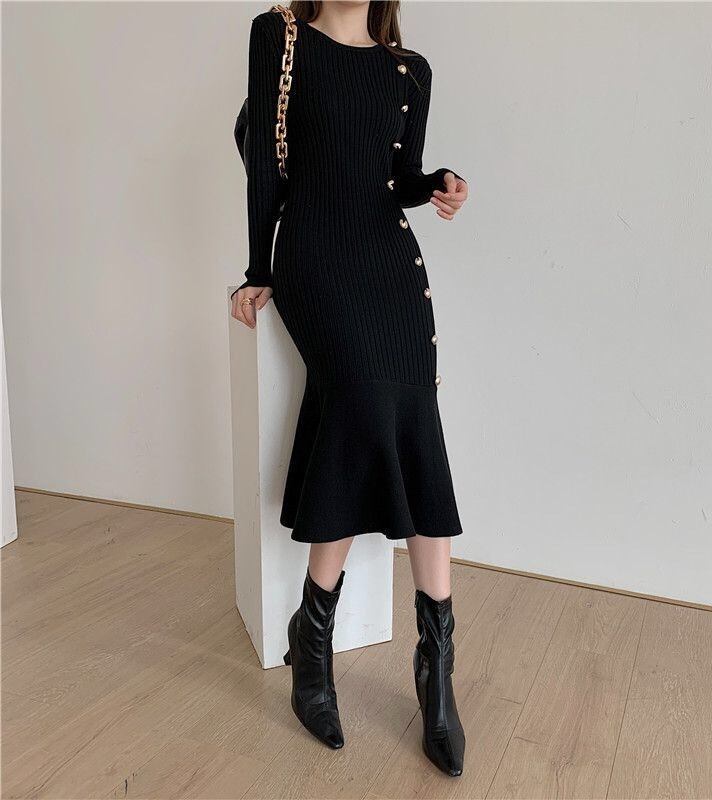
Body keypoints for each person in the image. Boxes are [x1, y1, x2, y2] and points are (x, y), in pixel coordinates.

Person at [230, 0, 469, 777]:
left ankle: (435, 668)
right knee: (363, 398)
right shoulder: (279, 36)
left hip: (389, 262)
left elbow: (396, 179)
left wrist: (436, 184)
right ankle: (314, 640)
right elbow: (265, 168)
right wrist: (258, 268)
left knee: (414, 415)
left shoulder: (409, 70)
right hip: (315, 255)